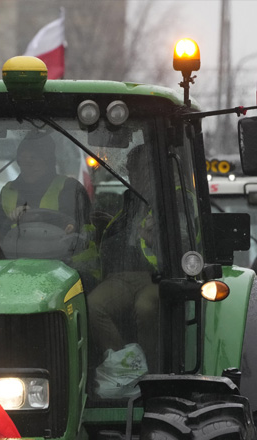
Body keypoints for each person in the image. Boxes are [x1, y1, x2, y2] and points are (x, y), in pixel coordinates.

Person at [86, 146, 161, 383]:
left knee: (146, 307)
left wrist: (157, 237)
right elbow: (132, 235)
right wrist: (109, 227)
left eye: (142, 168)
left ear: (155, 168)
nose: (135, 174)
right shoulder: (132, 199)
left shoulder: (172, 197)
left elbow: (184, 239)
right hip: (122, 276)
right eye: (132, 169)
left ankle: (154, 374)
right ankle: (126, 367)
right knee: (93, 305)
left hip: (157, 276)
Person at [0, 132, 91, 260]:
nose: (28, 166)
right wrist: (11, 221)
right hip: (14, 264)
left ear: (49, 161)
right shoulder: (8, 191)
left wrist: (38, 218)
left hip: (63, 265)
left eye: (35, 159)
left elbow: (84, 234)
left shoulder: (70, 189)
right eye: (24, 160)